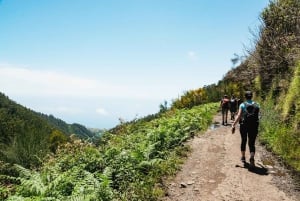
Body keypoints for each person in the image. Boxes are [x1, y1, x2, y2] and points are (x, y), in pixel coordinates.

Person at [231, 91, 260, 166]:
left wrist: (233, 124)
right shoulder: (257, 104)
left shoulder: (242, 105)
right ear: (252, 96)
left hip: (244, 126)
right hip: (254, 126)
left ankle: (243, 157)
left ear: (245, 97)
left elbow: (239, 115)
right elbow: (259, 116)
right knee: (252, 143)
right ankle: (252, 157)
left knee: (244, 140)